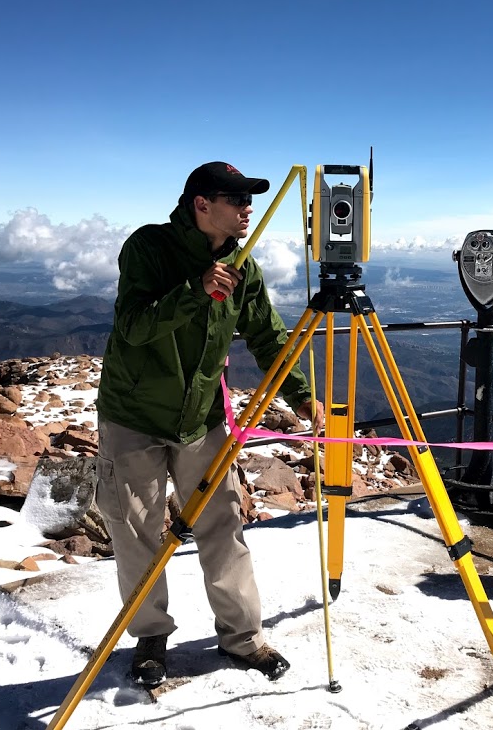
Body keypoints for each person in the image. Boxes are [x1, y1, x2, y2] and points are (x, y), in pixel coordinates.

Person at [94, 161, 324, 688]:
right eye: (236, 199)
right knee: (136, 530)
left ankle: (244, 637)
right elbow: (132, 328)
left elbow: (267, 336)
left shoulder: (244, 267)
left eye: (251, 200)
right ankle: (150, 637)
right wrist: (196, 290)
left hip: (202, 418)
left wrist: (304, 396)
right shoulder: (149, 248)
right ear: (202, 204)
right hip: (134, 416)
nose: (248, 209)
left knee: (223, 522)